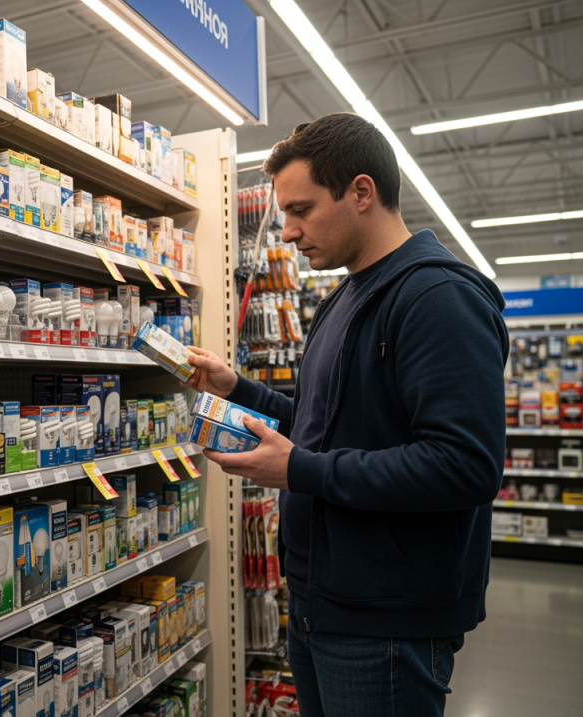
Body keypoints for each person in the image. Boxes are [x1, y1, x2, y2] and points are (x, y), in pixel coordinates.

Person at [188, 113, 508, 717]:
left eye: (302, 210)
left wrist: (303, 471)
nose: (286, 232)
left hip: (387, 618)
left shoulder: (439, 298)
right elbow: (322, 423)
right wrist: (241, 390)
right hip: (319, 601)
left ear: (362, 192)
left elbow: (466, 466)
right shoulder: (345, 295)